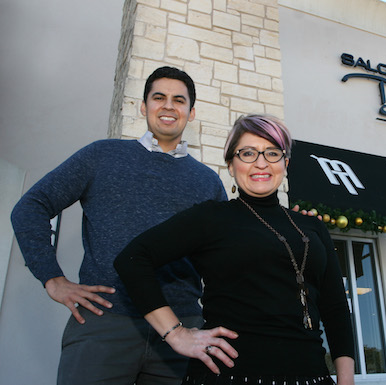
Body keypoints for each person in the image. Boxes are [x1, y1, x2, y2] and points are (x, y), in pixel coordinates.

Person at [11, 66, 228, 384]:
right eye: (159, 97)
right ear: (143, 107)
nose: (168, 106)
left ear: (191, 112)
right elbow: (30, 206)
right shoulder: (101, 155)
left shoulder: (208, 182)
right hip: (104, 323)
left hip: (183, 330)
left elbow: (224, 258)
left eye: (178, 100)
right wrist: (52, 278)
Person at [114, 114, 356, 385]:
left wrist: (346, 380)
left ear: (285, 163)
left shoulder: (312, 226)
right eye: (248, 153)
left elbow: (335, 308)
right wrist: (176, 333)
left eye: (272, 153)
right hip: (230, 376)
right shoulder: (211, 218)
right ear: (231, 164)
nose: (261, 163)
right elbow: (133, 259)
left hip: (312, 377)